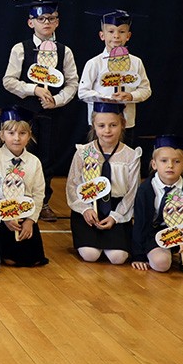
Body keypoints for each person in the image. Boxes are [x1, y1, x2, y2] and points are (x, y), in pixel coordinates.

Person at [1, 1, 79, 221]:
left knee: (47, 159)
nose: (47, 22)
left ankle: (42, 202)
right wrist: (33, 89)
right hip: (24, 115)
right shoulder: (21, 48)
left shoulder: (64, 51)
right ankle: (16, 197)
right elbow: (8, 81)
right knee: (21, 155)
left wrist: (57, 100)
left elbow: (73, 83)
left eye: (51, 18)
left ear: (57, 22)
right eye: (41, 18)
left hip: (51, 114)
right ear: (31, 22)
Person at [65, 101, 140, 264]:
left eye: (113, 125)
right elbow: (72, 185)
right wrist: (85, 209)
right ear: (94, 126)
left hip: (117, 210)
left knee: (118, 258)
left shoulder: (131, 156)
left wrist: (115, 217)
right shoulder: (83, 152)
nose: (107, 130)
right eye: (101, 125)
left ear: (123, 124)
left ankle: (112, 242)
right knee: (90, 255)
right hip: (88, 209)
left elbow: (132, 192)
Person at [131, 135, 183, 273]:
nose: (170, 165)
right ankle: (164, 253)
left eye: (177, 161)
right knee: (161, 264)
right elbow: (140, 223)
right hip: (156, 235)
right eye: (164, 161)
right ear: (154, 164)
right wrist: (139, 256)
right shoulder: (146, 189)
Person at [0, 107, 48, 267]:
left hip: (24, 215)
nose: (17, 138)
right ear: (2, 135)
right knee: (9, 260)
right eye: (11, 133)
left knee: (34, 260)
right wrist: (4, 217)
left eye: (22, 133)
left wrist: (30, 221)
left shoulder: (34, 162)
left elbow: (39, 194)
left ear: (29, 136)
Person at [77, 9, 152, 145]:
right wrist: (106, 99)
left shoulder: (136, 62)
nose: (116, 36)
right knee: (97, 155)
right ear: (102, 35)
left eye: (121, 32)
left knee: (125, 154)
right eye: (111, 32)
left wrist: (131, 96)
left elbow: (145, 89)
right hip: (100, 123)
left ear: (128, 36)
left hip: (126, 122)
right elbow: (83, 92)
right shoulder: (94, 63)